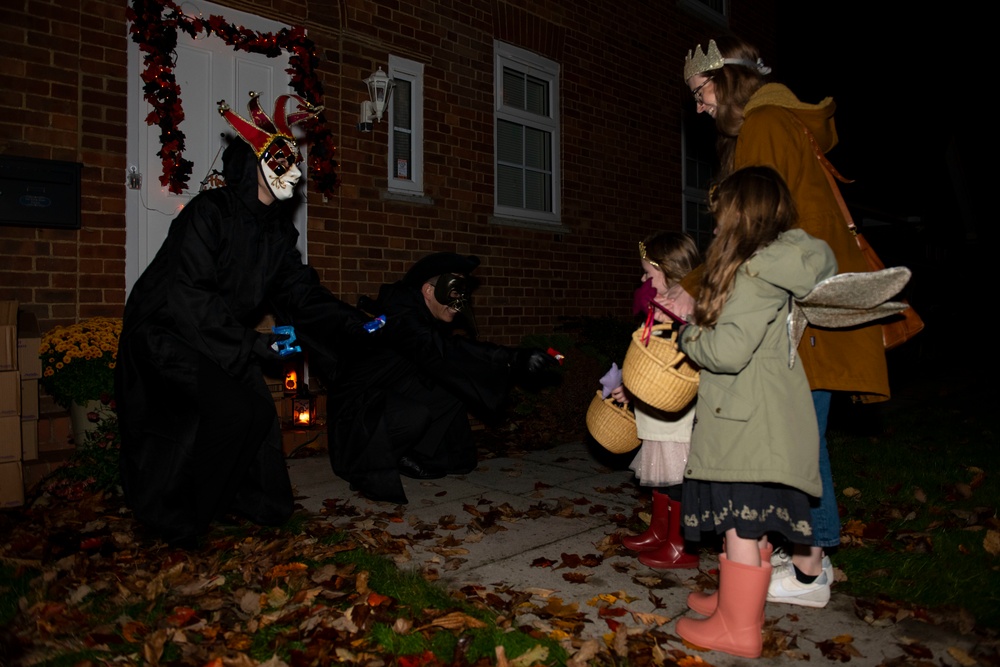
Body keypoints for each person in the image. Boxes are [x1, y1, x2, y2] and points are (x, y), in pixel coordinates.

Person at [682, 36, 890, 608]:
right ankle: (788, 559)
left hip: (802, 315)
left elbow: (749, 231)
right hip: (801, 302)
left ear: (724, 83)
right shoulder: (780, 120)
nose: (699, 107)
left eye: (701, 93)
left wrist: (692, 290)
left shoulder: (765, 125)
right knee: (794, 435)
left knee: (795, 440)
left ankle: (809, 567)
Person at [116, 93, 368, 546]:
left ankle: (245, 500)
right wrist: (253, 345)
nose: (297, 172)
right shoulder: (208, 214)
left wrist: (354, 322)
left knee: (255, 416)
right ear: (255, 166)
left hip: (219, 336)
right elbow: (189, 294)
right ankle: (181, 519)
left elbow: (302, 293)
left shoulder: (275, 234)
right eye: (282, 160)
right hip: (167, 333)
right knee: (234, 411)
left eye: (296, 161)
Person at [672, 166, 836, 658]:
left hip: (746, 417)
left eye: (722, 218)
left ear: (741, 215)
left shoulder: (754, 271)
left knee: (739, 523)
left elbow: (727, 351)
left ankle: (738, 629)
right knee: (752, 519)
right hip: (762, 411)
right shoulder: (778, 264)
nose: (716, 227)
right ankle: (732, 604)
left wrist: (689, 333)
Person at [327, 252, 556, 504]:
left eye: (463, 293)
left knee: (455, 385)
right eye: (454, 291)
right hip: (356, 414)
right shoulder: (401, 318)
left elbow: (444, 355)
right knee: (414, 414)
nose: (459, 302)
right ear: (428, 290)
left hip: (387, 394)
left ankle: (409, 452)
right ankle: (366, 465)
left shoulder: (417, 313)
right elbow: (442, 348)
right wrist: (510, 358)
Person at [612, 232, 701, 569]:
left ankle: (682, 544)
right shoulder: (658, 310)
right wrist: (628, 384)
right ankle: (660, 531)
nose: (643, 279)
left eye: (648, 273)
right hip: (656, 414)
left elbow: (677, 363)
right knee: (660, 476)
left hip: (675, 415)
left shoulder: (688, 313)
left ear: (671, 271)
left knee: (676, 477)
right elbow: (649, 361)